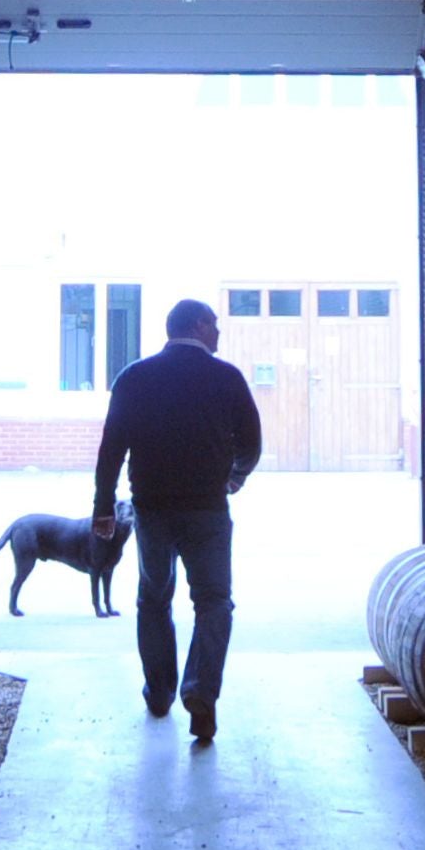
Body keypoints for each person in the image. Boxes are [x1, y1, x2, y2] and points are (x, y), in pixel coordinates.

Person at [92, 297, 262, 742]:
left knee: (153, 598)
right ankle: (201, 693)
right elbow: (252, 442)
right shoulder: (225, 377)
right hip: (207, 508)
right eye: (216, 324)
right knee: (213, 601)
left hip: (151, 509)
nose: (220, 333)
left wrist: (103, 507)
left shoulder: (135, 377)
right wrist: (235, 476)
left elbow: (111, 448)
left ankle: (160, 692)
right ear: (201, 326)